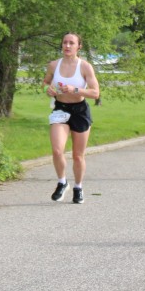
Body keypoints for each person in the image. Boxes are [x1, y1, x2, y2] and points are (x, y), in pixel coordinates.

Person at [43, 32, 100, 204]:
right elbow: (45, 83)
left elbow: (95, 93)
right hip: (60, 109)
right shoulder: (54, 65)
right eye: (65, 42)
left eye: (71, 43)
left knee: (77, 156)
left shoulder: (85, 67)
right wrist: (47, 89)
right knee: (57, 150)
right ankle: (62, 182)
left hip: (80, 111)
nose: (67, 46)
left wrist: (74, 90)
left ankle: (78, 187)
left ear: (78, 46)